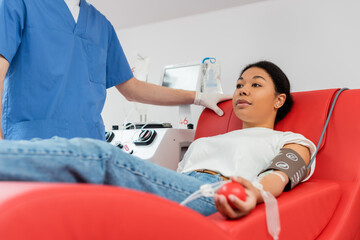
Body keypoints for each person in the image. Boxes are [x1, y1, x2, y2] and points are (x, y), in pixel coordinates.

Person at [0, 61, 316, 219]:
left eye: (256, 84)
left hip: (213, 192)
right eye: (239, 84)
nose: (242, 90)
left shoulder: (292, 139)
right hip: (180, 189)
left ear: (279, 100)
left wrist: (254, 195)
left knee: (101, 158)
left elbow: (279, 175)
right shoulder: (219, 134)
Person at [0, 0, 230, 140]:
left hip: (91, 150)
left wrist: (198, 97)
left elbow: (132, 89)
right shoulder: (18, 3)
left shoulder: (101, 25)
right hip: (31, 147)